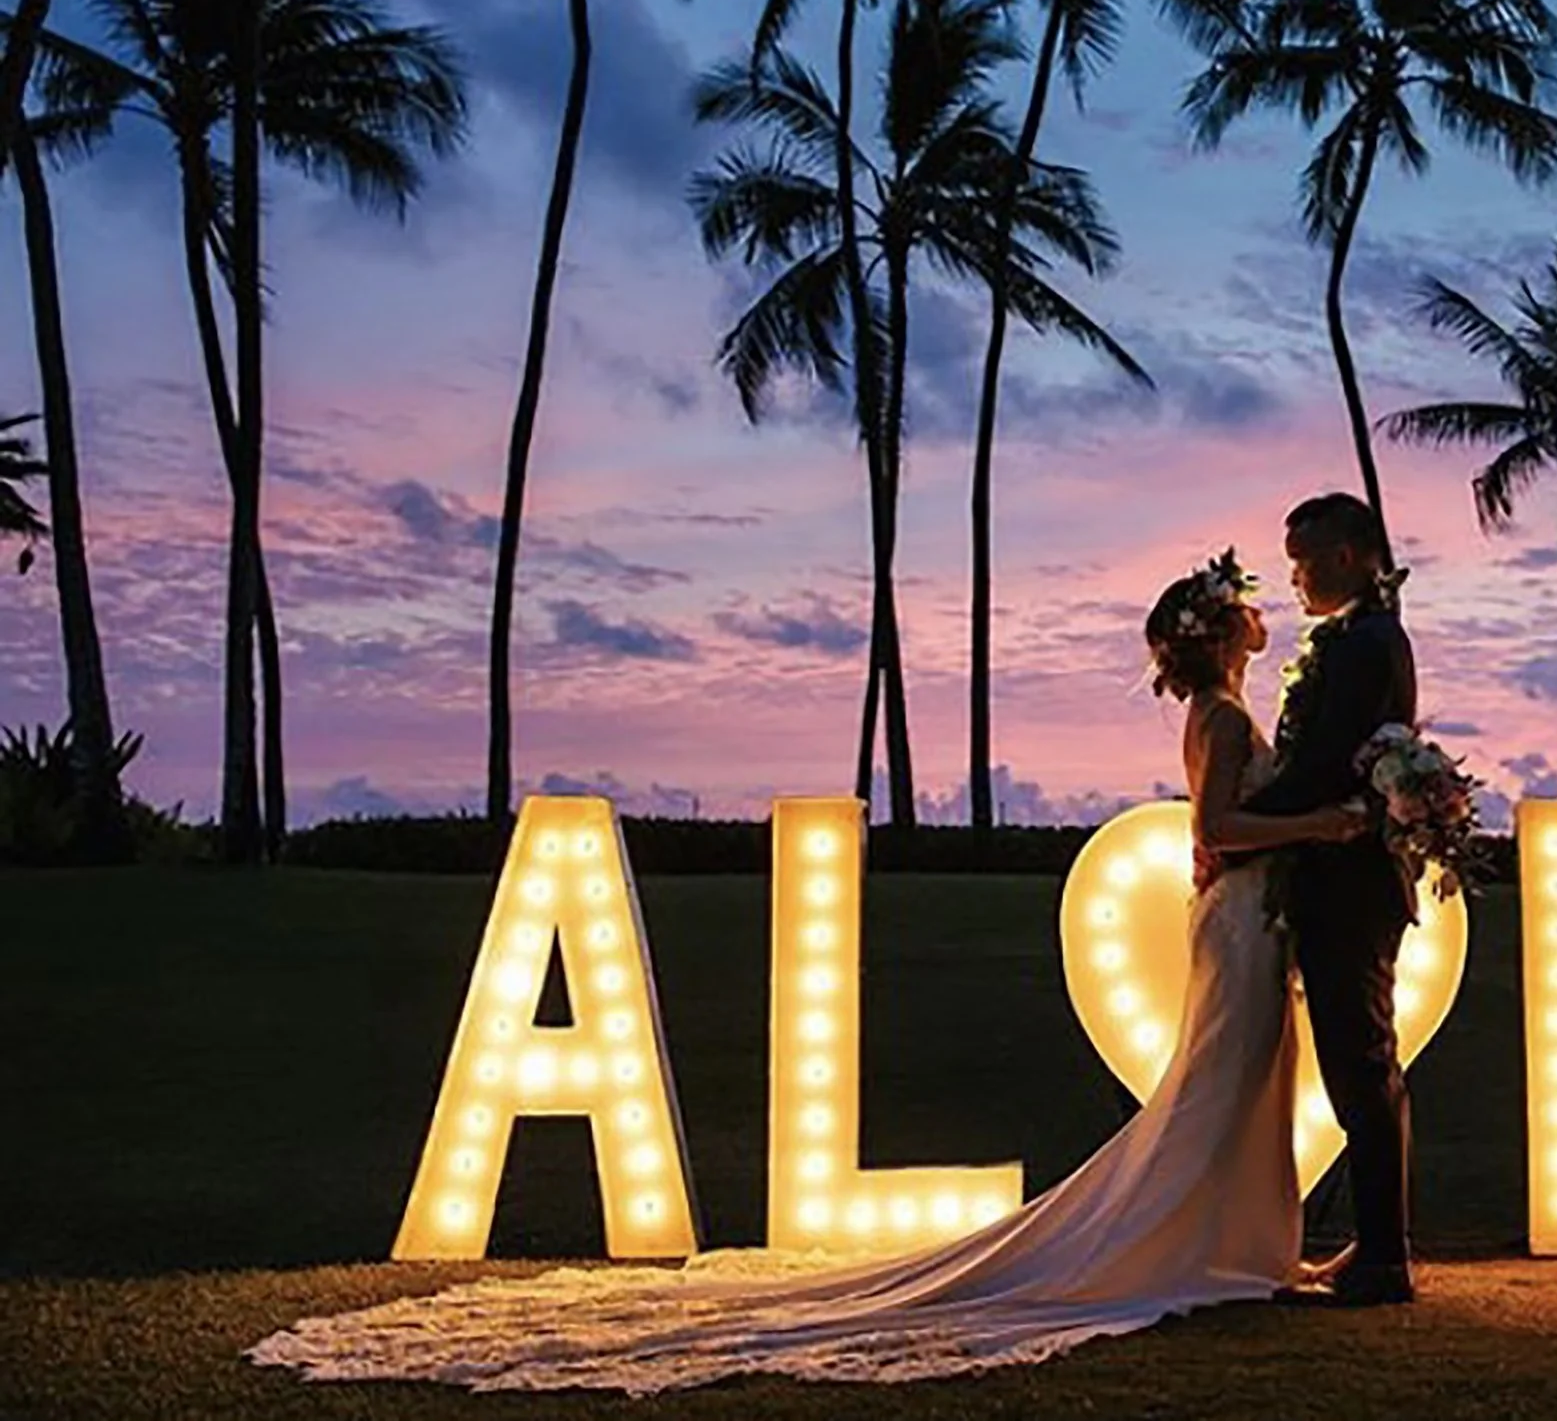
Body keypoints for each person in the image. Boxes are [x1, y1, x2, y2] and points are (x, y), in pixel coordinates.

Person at [245, 551, 1368, 1394]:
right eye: (1240, 615)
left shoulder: (1229, 708)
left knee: (1236, 1084)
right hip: (1234, 920)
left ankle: (1247, 1244)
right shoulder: (1221, 718)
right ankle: (1202, 1246)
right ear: (1216, 635)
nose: (1255, 621)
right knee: (1217, 1084)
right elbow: (1215, 822)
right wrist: (1321, 825)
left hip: (1242, 922)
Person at [1204, 492, 1420, 1307]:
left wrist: (1239, 825)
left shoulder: (1365, 643)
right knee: (1367, 1066)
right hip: (1342, 877)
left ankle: (1384, 1261)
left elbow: (1327, 762)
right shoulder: (1360, 637)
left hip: (1349, 881)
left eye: (1300, 561)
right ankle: (1380, 1243)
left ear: (1341, 556)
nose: (1292, 577)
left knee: (1360, 1067)